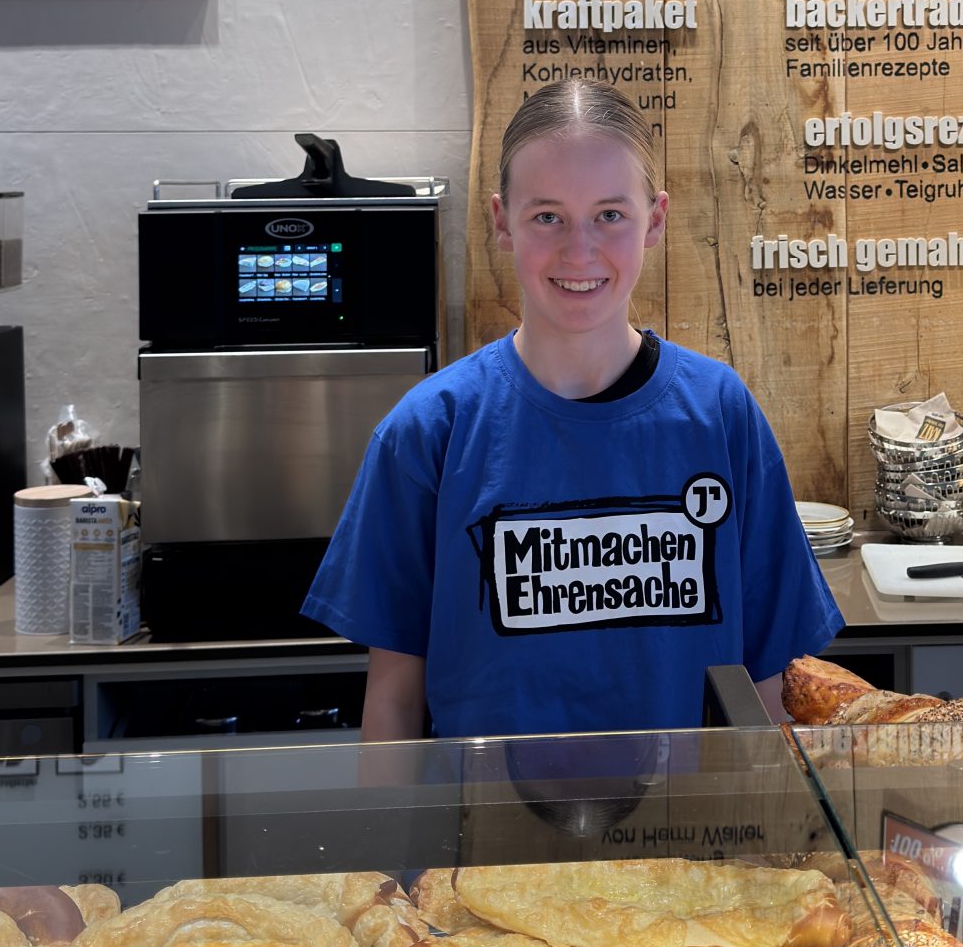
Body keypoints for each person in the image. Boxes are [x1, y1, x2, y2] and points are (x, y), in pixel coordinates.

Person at [301, 78, 843, 739]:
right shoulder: (429, 432)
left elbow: (770, 684)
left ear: (656, 220)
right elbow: (392, 703)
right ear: (502, 221)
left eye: (609, 214)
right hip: (487, 810)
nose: (579, 250)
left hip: (685, 811)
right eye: (547, 216)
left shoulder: (720, 415)